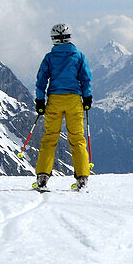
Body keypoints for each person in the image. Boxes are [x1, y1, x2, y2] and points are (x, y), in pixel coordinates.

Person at [34, 23, 93, 191]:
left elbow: (41, 80)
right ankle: (81, 178)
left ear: (53, 39)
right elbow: (86, 78)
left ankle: (42, 177)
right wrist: (87, 97)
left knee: (50, 139)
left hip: (54, 100)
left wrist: (40, 101)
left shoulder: (49, 58)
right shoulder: (79, 56)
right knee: (77, 139)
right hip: (74, 100)